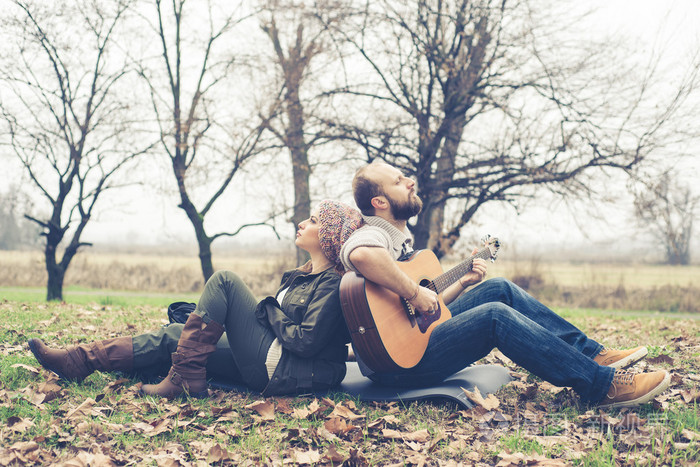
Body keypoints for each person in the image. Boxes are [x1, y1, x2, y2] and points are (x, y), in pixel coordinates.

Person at [339, 161, 670, 409]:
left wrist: (462, 283)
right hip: (398, 367)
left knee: (499, 290)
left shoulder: (401, 241)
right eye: (399, 181)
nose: (410, 181)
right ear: (380, 202)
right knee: (494, 316)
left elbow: (418, 312)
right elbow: (364, 256)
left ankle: (594, 355)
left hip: (411, 345)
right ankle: (600, 387)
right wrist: (413, 290)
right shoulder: (375, 234)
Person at [28, 200, 364, 399]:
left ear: (330, 236)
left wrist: (266, 308)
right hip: (270, 358)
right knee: (176, 335)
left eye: (315, 221)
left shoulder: (332, 283)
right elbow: (280, 326)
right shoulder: (302, 274)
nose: (303, 223)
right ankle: (79, 361)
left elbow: (304, 341)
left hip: (283, 370)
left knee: (226, 280)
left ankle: (184, 378)